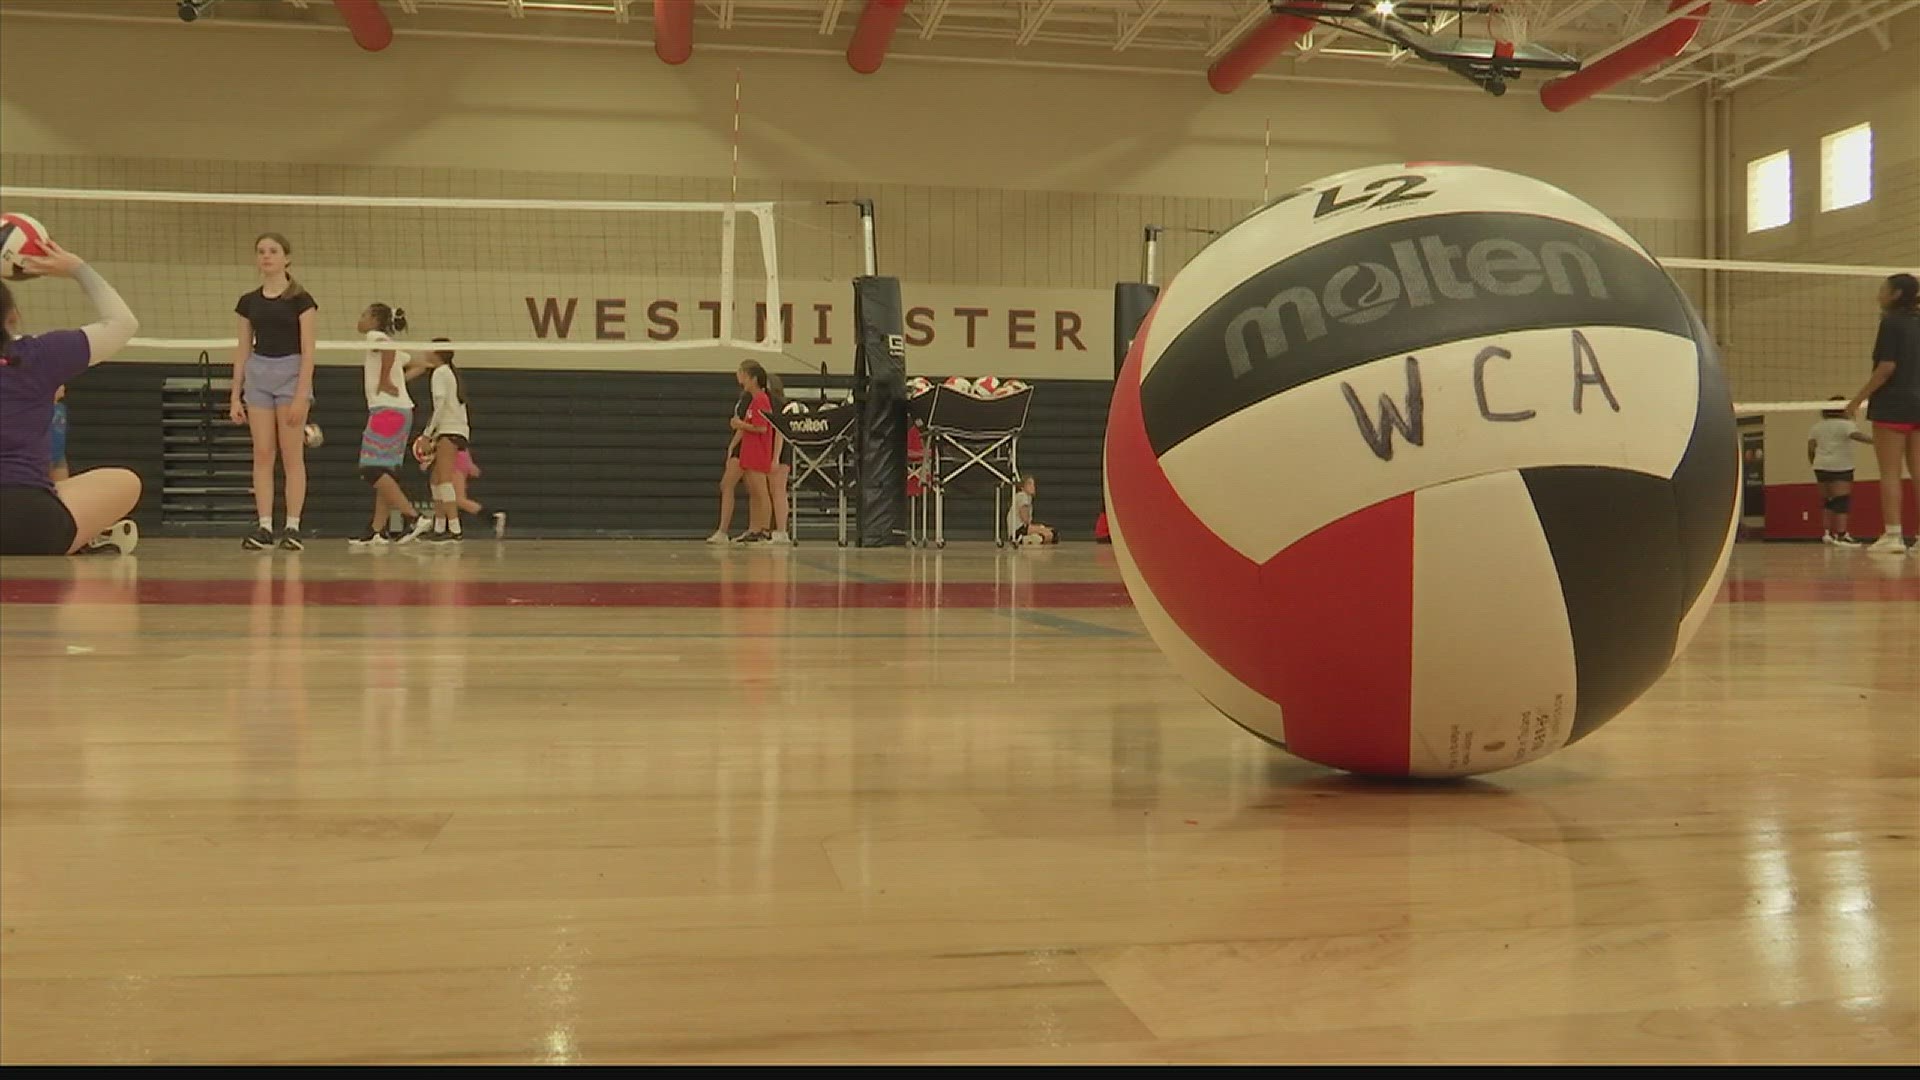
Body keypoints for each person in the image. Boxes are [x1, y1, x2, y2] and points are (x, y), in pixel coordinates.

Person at [0, 243, 142, 557]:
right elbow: (123, 323)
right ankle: (86, 534)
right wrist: (77, 269)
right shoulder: (38, 355)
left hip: (29, 511)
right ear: (14, 317)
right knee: (125, 481)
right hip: (34, 523)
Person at [229, 232, 317, 551]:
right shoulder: (247, 302)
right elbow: (241, 350)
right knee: (263, 453)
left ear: (286, 258)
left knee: (292, 455)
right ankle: (265, 526)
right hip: (258, 375)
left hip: (291, 374)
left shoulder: (301, 300)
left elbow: (309, 352)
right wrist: (234, 394)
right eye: (261, 251)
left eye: (273, 251)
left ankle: (292, 527)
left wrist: (300, 395)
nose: (266, 256)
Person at [1845, 272, 1920, 555]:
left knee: (1890, 473)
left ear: (1896, 294)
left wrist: (1856, 400)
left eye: (1883, 289)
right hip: (1918, 404)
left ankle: (1893, 535)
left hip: (1893, 404)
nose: (1879, 294)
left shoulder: (1891, 323)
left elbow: (1886, 368)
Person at [348, 303, 431, 547]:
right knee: (383, 471)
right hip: (401, 411)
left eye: (363, 314)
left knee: (371, 470)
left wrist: (385, 380)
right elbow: (422, 363)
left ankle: (413, 518)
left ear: (375, 319)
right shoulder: (388, 342)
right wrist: (399, 381)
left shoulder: (377, 337)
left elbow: (387, 351)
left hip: (387, 411)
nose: (360, 319)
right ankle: (376, 530)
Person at [415, 340, 472, 543]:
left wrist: (427, 434)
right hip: (453, 429)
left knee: (445, 479)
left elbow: (439, 406)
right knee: (436, 480)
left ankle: (455, 529)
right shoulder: (447, 372)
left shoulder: (440, 372)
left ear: (437, 353)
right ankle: (439, 528)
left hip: (450, 430)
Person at [1807, 396, 1873, 545]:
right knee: (1841, 501)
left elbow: (1811, 449)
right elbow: (1857, 436)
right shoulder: (1846, 425)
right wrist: (1876, 441)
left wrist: (1815, 464)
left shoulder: (1816, 427)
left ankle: (1827, 534)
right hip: (1841, 466)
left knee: (1828, 501)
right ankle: (1842, 535)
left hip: (1820, 467)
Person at [730, 359, 776, 544]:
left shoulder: (762, 399)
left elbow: (762, 428)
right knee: (754, 493)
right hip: (749, 452)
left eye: (743, 374)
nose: (740, 378)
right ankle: (754, 528)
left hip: (758, 451)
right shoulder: (753, 400)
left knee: (761, 492)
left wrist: (740, 424)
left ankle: (764, 530)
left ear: (754, 378)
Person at [708, 380, 753, 544]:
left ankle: (723, 530)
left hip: (743, 447)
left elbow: (746, 425)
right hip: (742, 445)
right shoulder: (745, 397)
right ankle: (755, 529)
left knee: (727, 484)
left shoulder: (752, 399)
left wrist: (733, 445)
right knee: (753, 489)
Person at [765, 372, 792, 546]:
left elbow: (780, 433)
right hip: (774, 451)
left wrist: (775, 458)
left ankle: (782, 531)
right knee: (774, 491)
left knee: (778, 491)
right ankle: (776, 529)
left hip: (781, 451)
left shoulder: (778, 405)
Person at [1006, 474, 1055, 546]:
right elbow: (1025, 519)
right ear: (1022, 487)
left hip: (1020, 528)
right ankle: (1022, 539)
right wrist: (1039, 528)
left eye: (1033, 484)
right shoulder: (1022, 496)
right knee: (1049, 533)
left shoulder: (1027, 497)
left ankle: (1029, 539)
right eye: (1029, 484)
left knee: (1048, 532)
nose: (1033, 487)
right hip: (1018, 529)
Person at [48, 385, 69, 482]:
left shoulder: (60, 408)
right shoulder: (38, 409)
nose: (63, 387)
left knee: (62, 487)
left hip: (59, 454)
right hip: (43, 455)